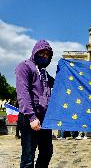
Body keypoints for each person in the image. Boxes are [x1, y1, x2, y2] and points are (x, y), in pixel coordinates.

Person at [16, 40, 54, 168]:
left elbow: (60, 84)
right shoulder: (24, 66)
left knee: (47, 152)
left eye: (47, 54)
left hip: (45, 118)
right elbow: (23, 93)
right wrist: (32, 117)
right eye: (41, 52)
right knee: (28, 157)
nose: (44, 56)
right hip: (29, 118)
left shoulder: (45, 73)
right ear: (35, 52)